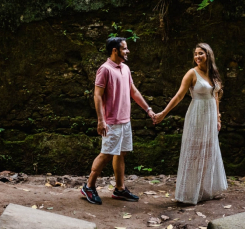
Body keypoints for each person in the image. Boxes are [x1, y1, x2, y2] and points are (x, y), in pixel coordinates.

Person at [81, 37, 156, 205]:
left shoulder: (125, 69)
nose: (128, 51)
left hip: (125, 120)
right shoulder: (105, 69)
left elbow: (133, 91)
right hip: (111, 121)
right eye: (125, 49)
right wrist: (101, 120)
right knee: (106, 154)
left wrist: (148, 110)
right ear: (115, 50)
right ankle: (88, 186)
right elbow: (97, 95)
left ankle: (120, 189)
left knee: (121, 153)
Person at [153, 43, 228, 204]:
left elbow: (215, 97)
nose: (197, 57)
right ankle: (189, 192)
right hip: (196, 115)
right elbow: (179, 96)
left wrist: (218, 118)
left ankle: (203, 190)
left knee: (209, 153)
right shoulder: (191, 73)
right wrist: (163, 113)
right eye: (195, 54)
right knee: (193, 153)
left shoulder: (213, 74)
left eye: (200, 53)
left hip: (210, 116)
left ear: (208, 55)